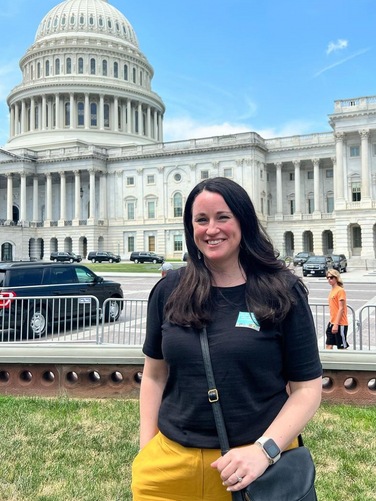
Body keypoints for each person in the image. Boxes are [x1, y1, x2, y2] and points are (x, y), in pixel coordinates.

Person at [132, 177, 322, 501]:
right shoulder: (168, 290)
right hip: (171, 467)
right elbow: (154, 375)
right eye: (201, 220)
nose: (211, 229)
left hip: (254, 468)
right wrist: (146, 450)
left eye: (223, 217)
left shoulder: (282, 292)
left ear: (242, 221)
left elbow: (307, 390)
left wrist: (263, 452)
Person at [325, 269, 349, 350]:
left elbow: (341, 308)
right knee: (328, 344)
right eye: (327, 277)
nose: (329, 279)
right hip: (332, 321)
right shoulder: (332, 290)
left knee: (342, 347)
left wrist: (336, 324)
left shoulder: (340, 290)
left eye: (331, 277)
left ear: (336, 278)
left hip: (340, 323)